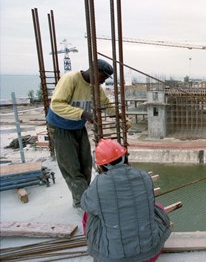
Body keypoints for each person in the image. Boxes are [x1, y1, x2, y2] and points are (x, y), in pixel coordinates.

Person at [81, 138, 171, 262]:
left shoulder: (98, 185)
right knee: (157, 207)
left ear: (101, 165)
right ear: (124, 157)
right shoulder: (144, 176)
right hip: (150, 254)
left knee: (88, 214)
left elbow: (84, 203)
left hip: (113, 258)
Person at [46, 59, 117, 209]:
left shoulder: (95, 87)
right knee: (72, 168)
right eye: (102, 78)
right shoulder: (70, 79)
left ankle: (82, 199)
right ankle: (83, 204)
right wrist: (84, 113)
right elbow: (57, 104)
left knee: (86, 165)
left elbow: (106, 105)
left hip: (77, 127)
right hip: (60, 128)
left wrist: (120, 116)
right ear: (94, 71)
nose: (103, 82)